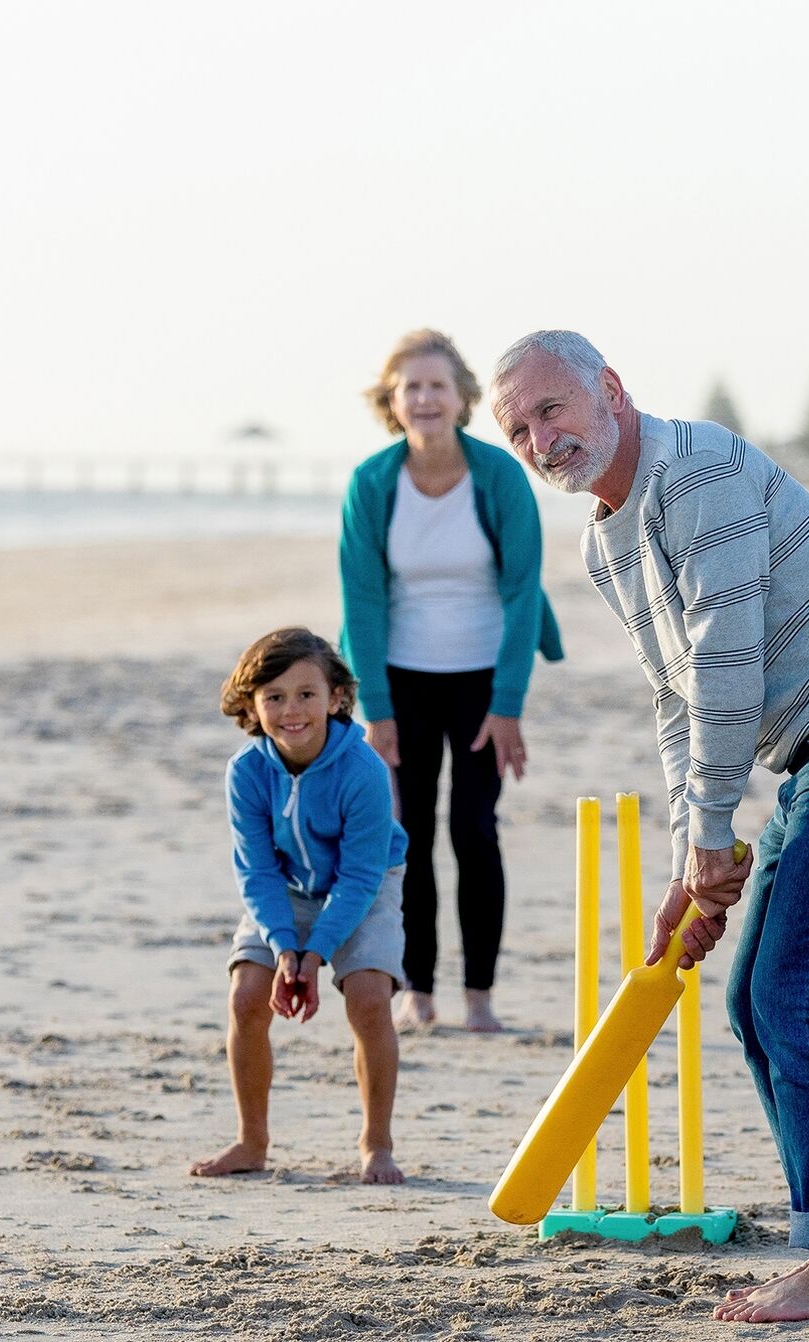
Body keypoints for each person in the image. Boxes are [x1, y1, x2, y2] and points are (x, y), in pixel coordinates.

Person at [490, 331, 809, 1323]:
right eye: (519, 429)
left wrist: (717, 828)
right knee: (760, 1002)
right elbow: (675, 700)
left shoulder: (695, 470)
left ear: (610, 391)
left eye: (551, 410)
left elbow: (724, 663)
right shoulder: (603, 536)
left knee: (800, 996)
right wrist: (689, 854)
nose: (540, 440)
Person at [339, 329, 564, 1034]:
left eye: (438, 385)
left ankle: (480, 998)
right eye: (412, 387)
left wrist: (507, 707)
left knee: (474, 829)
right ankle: (419, 992)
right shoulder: (372, 483)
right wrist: (374, 712)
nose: (425, 398)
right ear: (392, 401)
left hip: (481, 677)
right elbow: (362, 601)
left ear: (463, 397)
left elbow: (524, 591)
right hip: (398, 679)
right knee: (404, 833)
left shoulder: (497, 475)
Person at [190, 627, 411, 1185]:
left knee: (367, 997)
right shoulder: (246, 771)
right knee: (246, 997)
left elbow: (361, 875)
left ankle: (376, 1142)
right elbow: (256, 870)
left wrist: (315, 957)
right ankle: (251, 1141)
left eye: (306, 695)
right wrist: (286, 948)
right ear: (251, 704)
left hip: (367, 883)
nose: (292, 711)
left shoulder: (363, 769)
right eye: (275, 697)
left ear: (336, 698)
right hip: (286, 887)